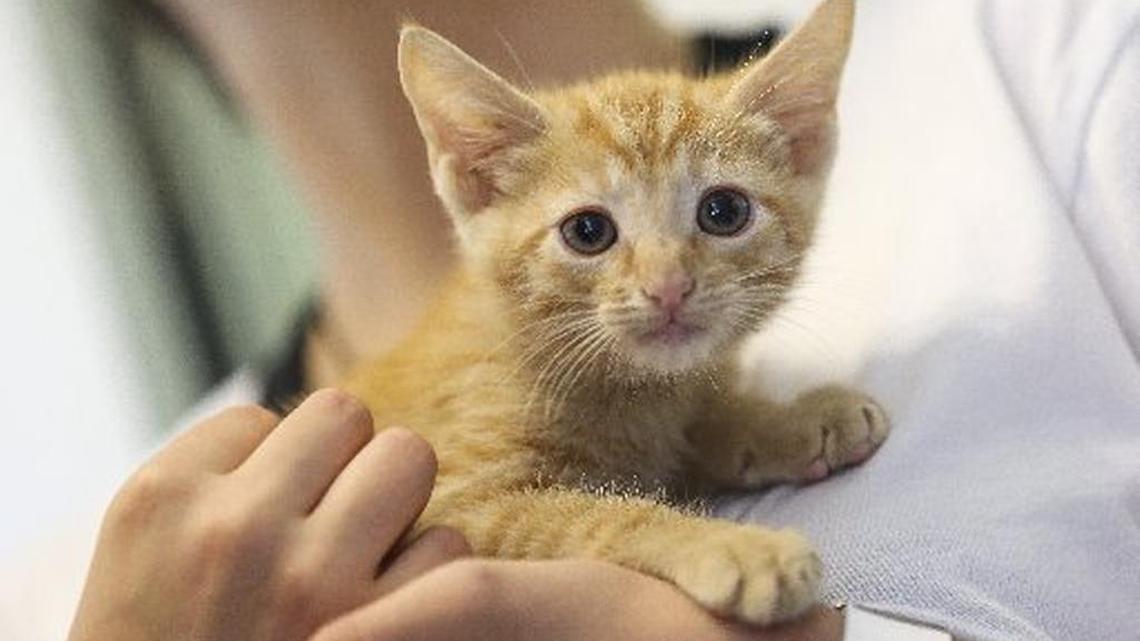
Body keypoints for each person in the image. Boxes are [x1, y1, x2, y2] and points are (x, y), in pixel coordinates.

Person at [64, 0, 1140, 639]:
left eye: (719, 214)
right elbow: (487, 500)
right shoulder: (102, 566)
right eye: (591, 231)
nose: (665, 279)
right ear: (476, 175)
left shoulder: (1045, 48)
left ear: (803, 146)